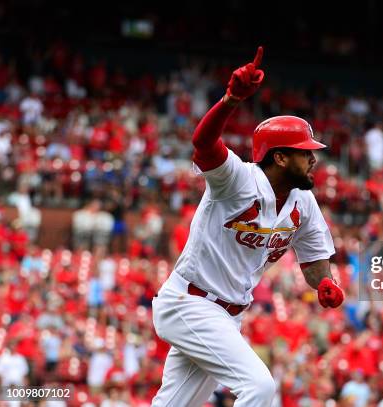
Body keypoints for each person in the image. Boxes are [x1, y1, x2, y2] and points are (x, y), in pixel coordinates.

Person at [151, 47, 344, 407]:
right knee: (259, 387)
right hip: (190, 303)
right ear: (280, 156)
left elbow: (315, 262)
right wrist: (230, 100)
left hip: (227, 317)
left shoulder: (304, 202)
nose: (313, 157)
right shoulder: (238, 180)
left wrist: (327, 283)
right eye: (305, 152)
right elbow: (203, 145)